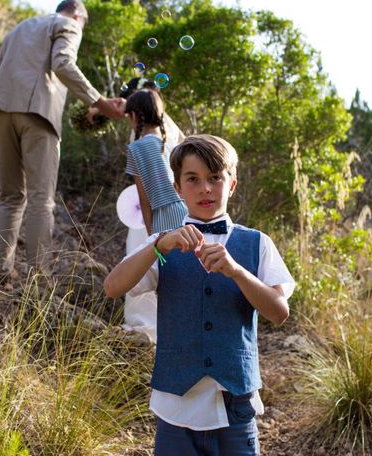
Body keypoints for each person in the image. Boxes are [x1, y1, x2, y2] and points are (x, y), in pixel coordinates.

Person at [104, 135, 295, 455]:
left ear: (231, 184)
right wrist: (157, 246)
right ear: (178, 188)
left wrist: (237, 272)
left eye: (214, 178)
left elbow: (279, 312)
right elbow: (112, 288)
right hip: (175, 409)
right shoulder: (161, 245)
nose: (205, 188)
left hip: (236, 408)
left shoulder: (257, 243)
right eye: (193, 179)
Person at [0, 0, 124, 283]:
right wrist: (100, 101)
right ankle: (38, 282)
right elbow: (62, 64)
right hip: (37, 115)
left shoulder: (19, 28)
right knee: (41, 200)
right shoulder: (69, 24)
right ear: (77, 15)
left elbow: (0, 70)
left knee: (10, 197)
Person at [119, 78, 185, 341]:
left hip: (162, 217)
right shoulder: (172, 143)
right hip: (185, 213)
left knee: (160, 276)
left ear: (135, 116)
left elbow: (144, 197)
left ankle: (155, 332)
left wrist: (152, 237)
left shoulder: (136, 147)